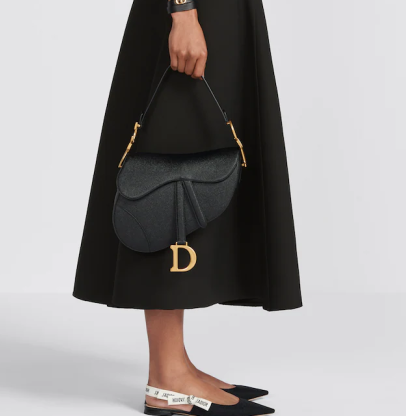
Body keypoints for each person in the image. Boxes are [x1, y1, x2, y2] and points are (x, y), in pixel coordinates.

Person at [74, 1, 302, 415]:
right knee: (167, 180)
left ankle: (178, 364)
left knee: (197, 164)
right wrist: (182, 11)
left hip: (221, 14)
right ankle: (167, 378)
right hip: (192, 11)